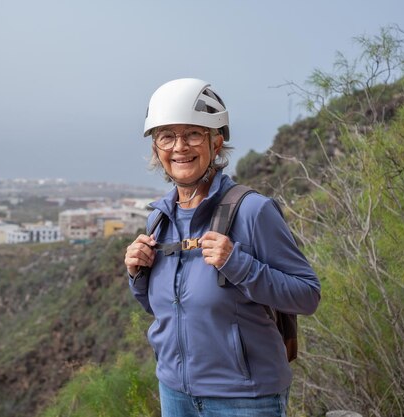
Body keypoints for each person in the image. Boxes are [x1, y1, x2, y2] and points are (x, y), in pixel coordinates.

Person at [125, 78, 321, 417]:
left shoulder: (252, 210)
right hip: (175, 393)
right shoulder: (159, 219)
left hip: (245, 399)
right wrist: (137, 275)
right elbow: (167, 310)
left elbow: (307, 295)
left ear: (216, 143)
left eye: (193, 134)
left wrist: (238, 264)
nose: (179, 147)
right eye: (166, 136)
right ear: (156, 149)